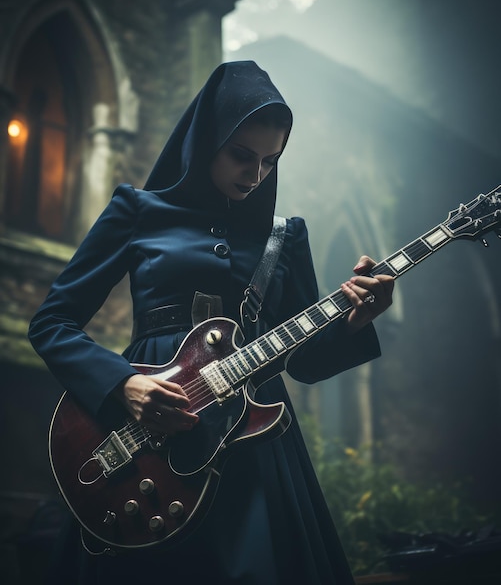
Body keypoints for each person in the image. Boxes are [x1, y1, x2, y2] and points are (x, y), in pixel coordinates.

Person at [29, 60, 394, 585]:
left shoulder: (285, 237)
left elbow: (306, 363)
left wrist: (357, 321)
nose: (256, 174)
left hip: (253, 446)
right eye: (242, 155)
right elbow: (52, 323)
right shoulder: (137, 211)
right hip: (141, 441)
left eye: (271, 161)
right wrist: (123, 384)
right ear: (205, 141)